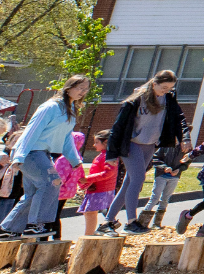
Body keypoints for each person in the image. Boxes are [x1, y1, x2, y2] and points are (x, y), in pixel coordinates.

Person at [0, 75, 88, 241]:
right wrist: (20, 155)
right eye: (79, 88)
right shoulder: (51, 107)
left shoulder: (70, 110)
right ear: (68, 88)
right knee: (51, 182)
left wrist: (75, 160)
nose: (83, 92)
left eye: (85, 88)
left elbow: (66, 137)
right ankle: (35, 225)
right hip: (30, 152)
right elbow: (33, 130)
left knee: (33, 193)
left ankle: (8, 229)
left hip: (42, 153)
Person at [103, 70, 189, 236]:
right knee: (138, 179)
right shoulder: (136, 99)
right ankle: (130, 222)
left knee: (129, 183)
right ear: (154, 83)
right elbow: (118, 127)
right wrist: (112, 154)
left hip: (149, 145)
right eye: (163, 87)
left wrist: (185, 138)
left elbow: (179, 118)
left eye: (170, 88)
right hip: (132, 144)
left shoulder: (168, 98)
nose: (166, 91)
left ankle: (107, 222)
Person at [143, 133, 191, 229]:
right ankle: (143, 222)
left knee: (165, 199)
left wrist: (179, 169)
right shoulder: (166, 145)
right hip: (161, 175)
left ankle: (156, 223)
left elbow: (187, 162)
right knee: (155, 197)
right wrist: (164, 168)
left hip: (174, 176)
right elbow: (155, 158)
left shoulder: (186, 149)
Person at [81, 131, 115, 236]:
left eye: (96, 142)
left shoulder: (108, 156)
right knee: (90, 212)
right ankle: (92, 233)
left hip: (100, 189)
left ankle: (89, 236)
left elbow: (108, 173)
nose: (94, 145)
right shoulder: (104, 155)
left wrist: (88, 179)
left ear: (105, 142)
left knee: (90, 212)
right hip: (98, 188)